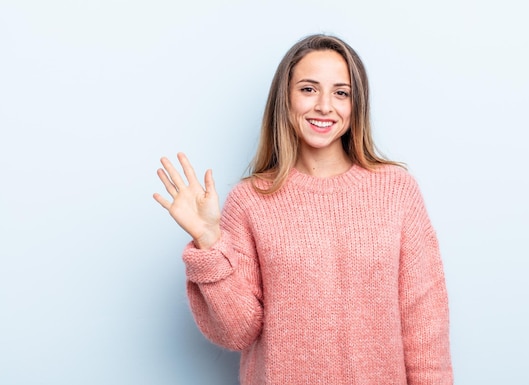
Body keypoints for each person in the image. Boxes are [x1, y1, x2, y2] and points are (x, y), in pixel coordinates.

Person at [154, 34, 453, 385]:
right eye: (309, 89)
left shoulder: (397, 191)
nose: (325, 106)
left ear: (356, 105)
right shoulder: (249, 200)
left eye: (341, 93)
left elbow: (425, 324)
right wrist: (209, 242)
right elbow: (237, 333)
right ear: (286, 98)